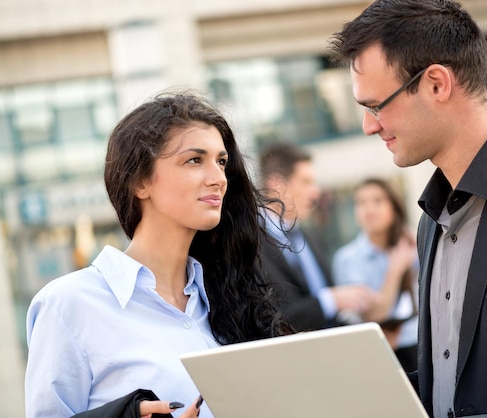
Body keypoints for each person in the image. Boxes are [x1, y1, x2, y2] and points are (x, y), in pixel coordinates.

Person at [328, 1, 487, 417]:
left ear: (435, 84)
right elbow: (450, 386)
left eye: (375, 105)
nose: (369, 125)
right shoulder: (431, 222)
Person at [25, 92, 292, 418]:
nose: (219, 178)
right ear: (140, 181)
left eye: (221, 162)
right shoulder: (68, 305)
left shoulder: (231, 299)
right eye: (195, 160)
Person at [258, 142, 396, 332]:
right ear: (276, 184)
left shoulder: (309, 237)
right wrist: (332, 301)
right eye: (306, 182)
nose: (315, 192)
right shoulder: (248, 243)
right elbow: (269, 320)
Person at [332, 177, 418, 372]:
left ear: (394, 207)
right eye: (361, 203)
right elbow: (374, 315)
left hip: (419, 346)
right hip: (378, 352)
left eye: (378, 201)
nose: (369, 209)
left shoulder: (416, 245)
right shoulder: (347, 258)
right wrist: (395, 270)